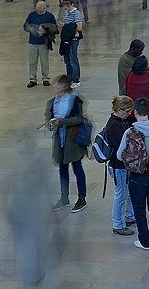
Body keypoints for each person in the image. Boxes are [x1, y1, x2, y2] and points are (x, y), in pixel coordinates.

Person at [118, 97, 149, 250]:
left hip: (136, 174)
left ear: (134, 112)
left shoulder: (130, 131)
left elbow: (120, 155)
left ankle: (145, 240)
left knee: (139, 208)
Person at [46, 75, 89, 213]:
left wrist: (62, 121)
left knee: (77, 168)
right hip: (60, 141)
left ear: (64, 86)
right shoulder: (52, 102)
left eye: (58, 85)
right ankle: (64, 197)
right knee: (62, 169)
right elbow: (48, 121)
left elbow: (80, 118)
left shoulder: (75, 100)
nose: (55, 87)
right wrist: (51, 124)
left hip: (73, 140)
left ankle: (82, 198)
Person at [104, 95, 137, 235]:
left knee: (128, 192)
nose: (129, 114)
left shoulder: (120, 121)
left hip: (123, 165)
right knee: (121, 195)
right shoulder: (114, 125)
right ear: (119, 109)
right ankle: (118, 224)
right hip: (118, 166)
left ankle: (129, 216)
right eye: (127, 111)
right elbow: (120, 147)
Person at [23, 1, 57, 88]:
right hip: (33, 42)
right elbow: (25, 26)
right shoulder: (32, 15)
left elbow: (55, 29)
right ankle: (32, 79)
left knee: (44, 61)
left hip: (43, 43)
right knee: (32, 61)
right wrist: (30, 29)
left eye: (42, 11)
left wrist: (46, 31)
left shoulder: (50, 16)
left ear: (45, 8)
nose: (40, 12)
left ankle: (45, 78)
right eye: (38, 10)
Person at [58, 0, 84, 88]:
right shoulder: (66, 13)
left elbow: (79, 27)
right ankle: (69, 78)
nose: (65, 7)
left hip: (73, 40)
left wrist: (65, 25)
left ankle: (76, 79)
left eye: (67, 5)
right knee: (67, 60)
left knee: (73, 59)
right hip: (66, 39)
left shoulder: (77, 14)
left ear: (72, 4)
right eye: (64, 5)